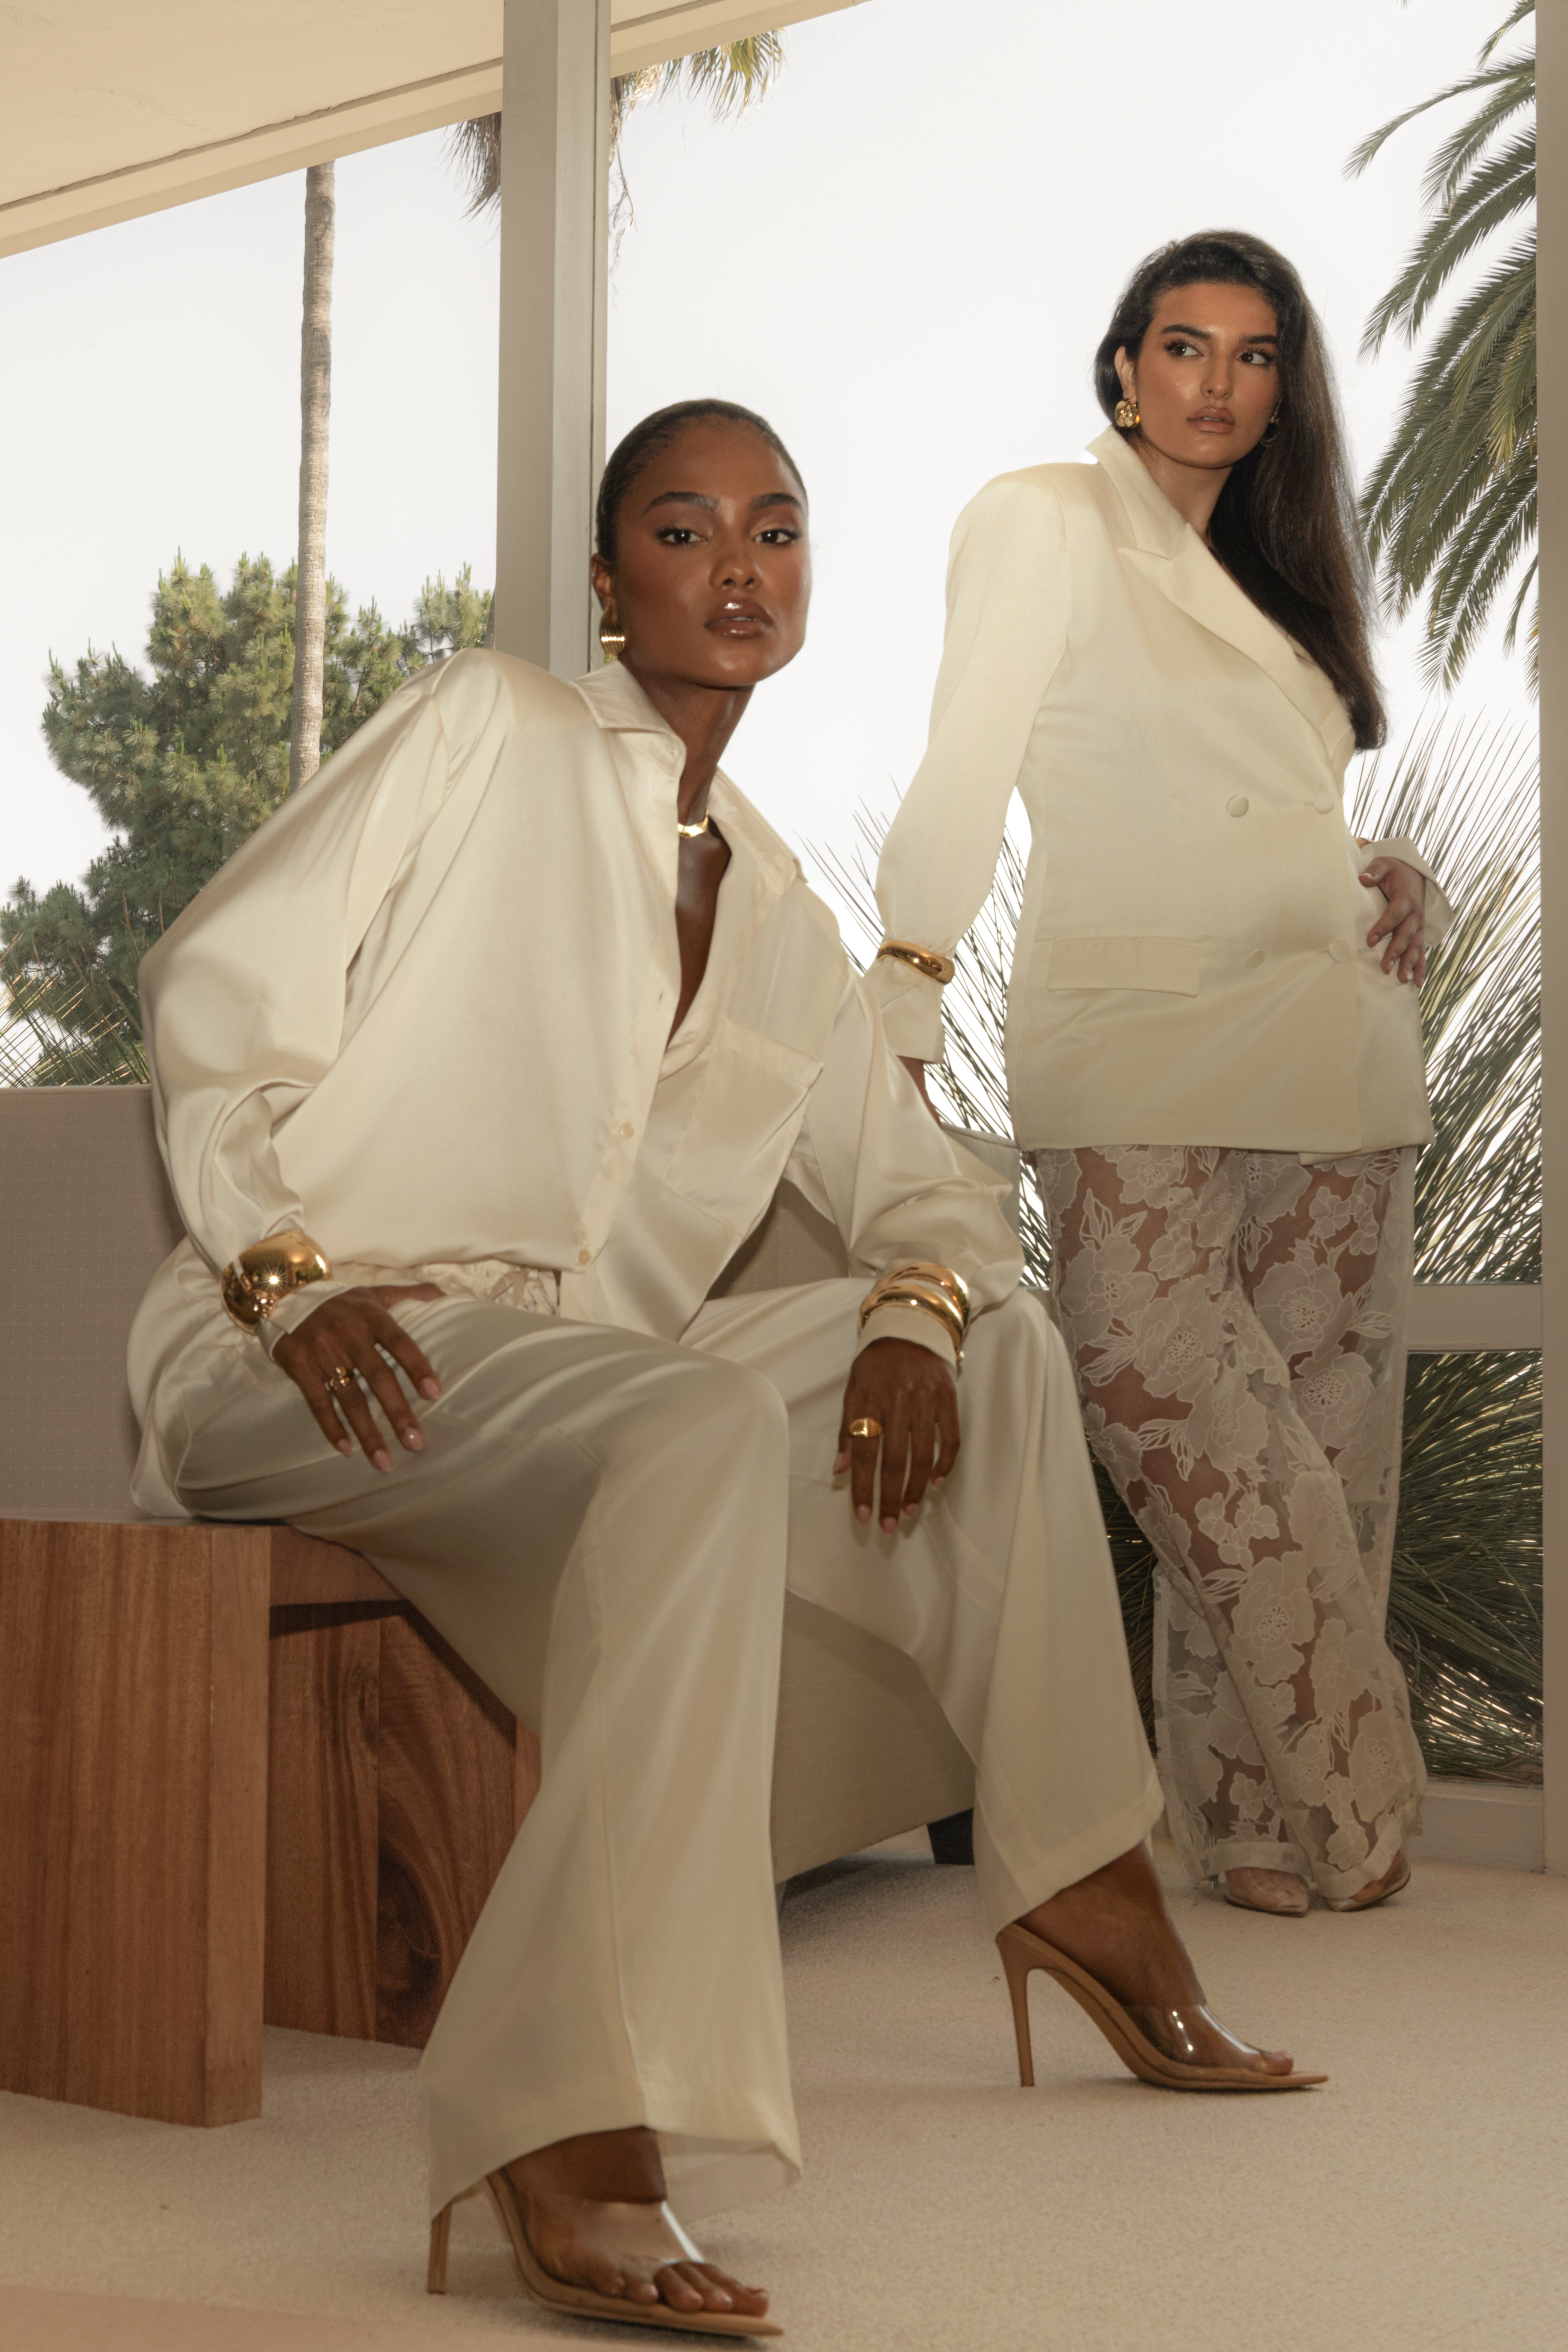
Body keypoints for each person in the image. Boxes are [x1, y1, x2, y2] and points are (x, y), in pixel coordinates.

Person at [129, 397, 1318, 2345]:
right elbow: (212, 979)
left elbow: (928, 1192)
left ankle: (1080, 1880)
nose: (738, 566)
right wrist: (281, 1272)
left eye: (775, 529)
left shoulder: (779, 917)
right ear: (611, 581)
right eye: (683, 532)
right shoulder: (488, 729)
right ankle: (566, 2099)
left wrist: (914, 1311)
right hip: (312, 1350)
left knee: (1001, 1347)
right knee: (685, 1409)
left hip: (574, 1382)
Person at [871, 232, 1453, 1922]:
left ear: (1282, 396)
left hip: (1326, 1036)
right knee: (1158, 1397)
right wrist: (906, 988)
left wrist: (1385, 865)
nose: (1216, 381)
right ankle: (1367, 1772)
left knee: (1312, 1439)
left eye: (1254, 356)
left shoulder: (1285, 575)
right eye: (1184, 345)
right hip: (1132, 1030)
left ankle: (1255, 1825)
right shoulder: (1043, 518)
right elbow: (968, 761)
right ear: (1124, 365)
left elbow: (1277, 814)